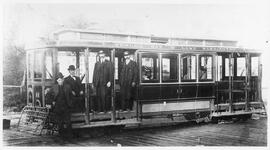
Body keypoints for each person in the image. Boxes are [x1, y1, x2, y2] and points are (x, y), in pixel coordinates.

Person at [49, 72, 73, 139]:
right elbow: (48, 96)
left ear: (63, 80)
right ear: (57, 81)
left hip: (66, 106)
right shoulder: (54, 87)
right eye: (59, 80)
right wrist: (52, 102)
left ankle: (70, 136)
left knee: (68, 122)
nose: (60, 81)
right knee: (60, 122)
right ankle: (61, 136)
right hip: (58, 107)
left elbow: (71, 96)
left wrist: (70, 104)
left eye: (61, 79)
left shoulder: (67, 87)